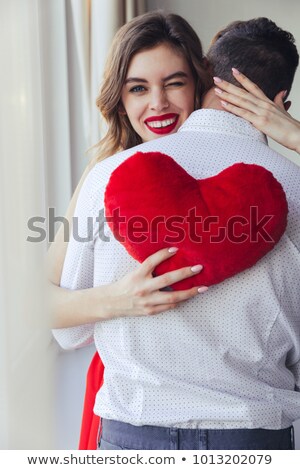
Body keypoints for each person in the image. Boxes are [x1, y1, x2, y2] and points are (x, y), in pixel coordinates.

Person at [52, 15, 300, 450]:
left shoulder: (107, 178)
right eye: (139, 88)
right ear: (282, 101)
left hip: (131, 436)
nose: (159, 104)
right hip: (253, 438)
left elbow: (68, 332)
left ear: (205, 78)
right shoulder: (293, 186)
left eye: (173, 83)